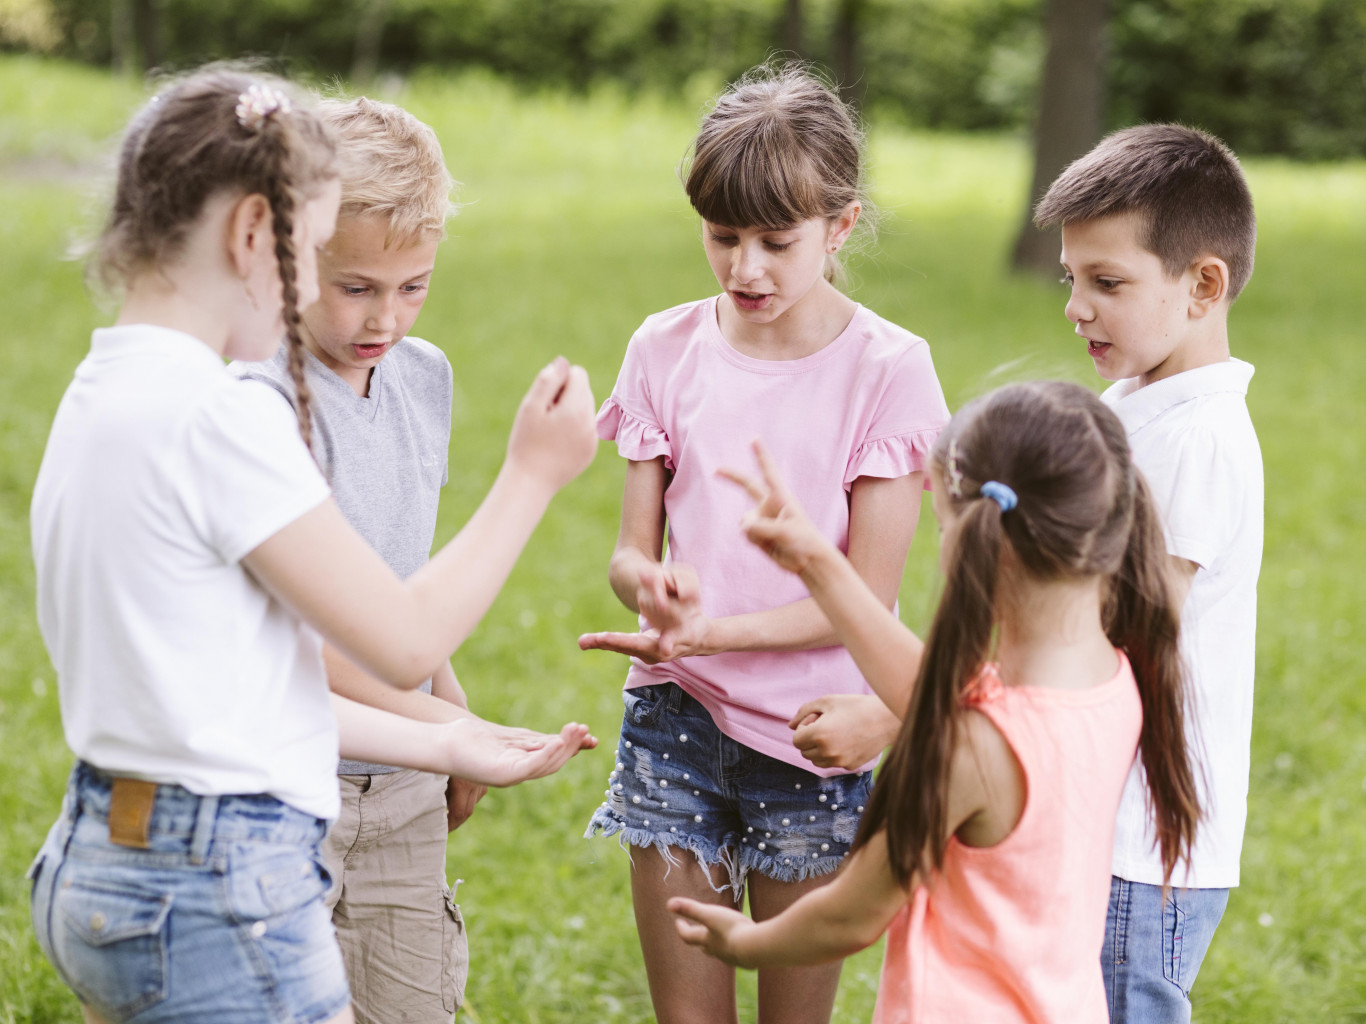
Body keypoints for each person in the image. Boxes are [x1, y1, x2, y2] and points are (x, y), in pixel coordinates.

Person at [26, 68, 598, 1024]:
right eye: (310, 258)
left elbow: (245, 682)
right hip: (218, 883)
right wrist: (533, 473)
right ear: (255, 236)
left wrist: (450, 736)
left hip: (103, 852)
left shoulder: (104, 396)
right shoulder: (222, 417)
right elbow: (402, 639)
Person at [578, 64, 950, 1024]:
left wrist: (707, 634)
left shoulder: (889, 371)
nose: (747, 269)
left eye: (777, 242)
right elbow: (631, 552)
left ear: (841, 227)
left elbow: (858, 597)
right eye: (723, 237)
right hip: (675, 724)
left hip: (815, 737)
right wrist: (650, 590)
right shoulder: (663, 348)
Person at [671, 381, 1201, 1024]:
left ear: (976, 540)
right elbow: (937, 694)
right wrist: (817, 563)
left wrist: (748, 942)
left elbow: (851, 914)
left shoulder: (974, 750)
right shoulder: (1111, 676)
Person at [231, 95, 480, 1022]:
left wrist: (450, 718)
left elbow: (398, 580)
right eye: (357, 287)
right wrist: (441, 728)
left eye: (413, 285)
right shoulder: (255, 399)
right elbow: (296, 625)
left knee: (411, 1000)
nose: (387, 316)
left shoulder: (425, 378)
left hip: (405, 773)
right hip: (288, 772)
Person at [1032, 123, 1263, 1023]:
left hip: (1145, 846)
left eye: (1108, 282)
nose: (1076, 307)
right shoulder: (1136, 406)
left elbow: (1122, 623)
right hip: (1099, 823)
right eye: (1072, 280)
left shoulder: (1198, 442)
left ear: (1204, 285)